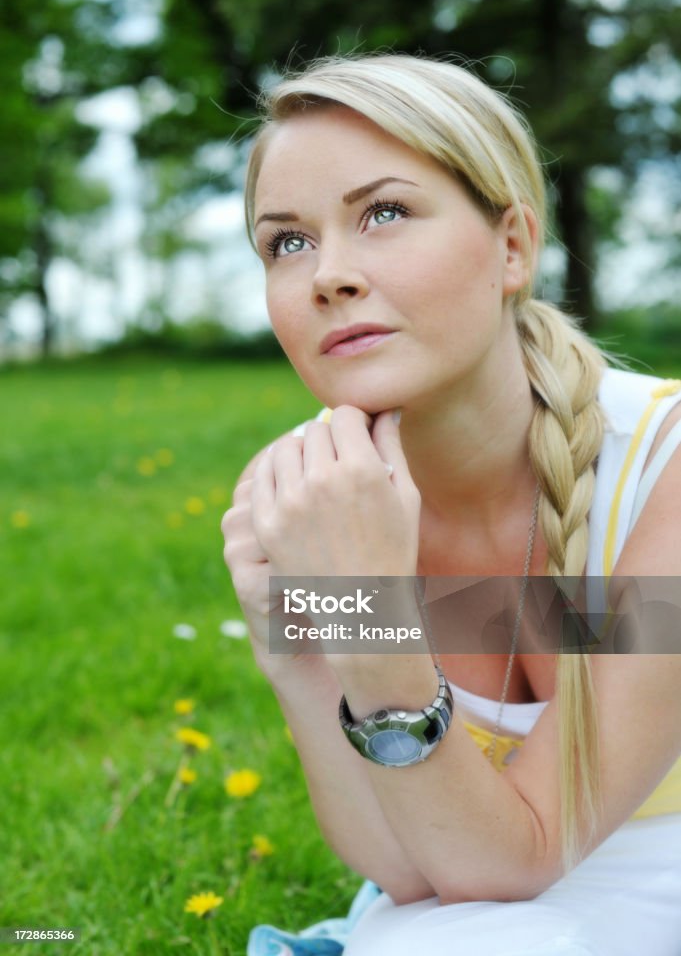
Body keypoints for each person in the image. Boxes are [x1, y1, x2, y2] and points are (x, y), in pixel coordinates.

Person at [221, 53, 681, 955]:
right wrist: (298, 658)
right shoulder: (316, 504)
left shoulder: (664, 471)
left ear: (511, 245)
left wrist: (373, 630)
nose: (329, 275)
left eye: (383, 213)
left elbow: (523, 854)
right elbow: (400, 866)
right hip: (472, 888)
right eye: (288, 241)